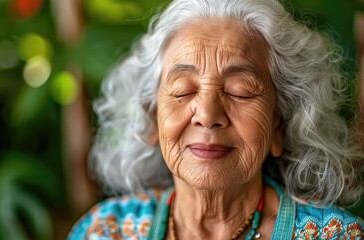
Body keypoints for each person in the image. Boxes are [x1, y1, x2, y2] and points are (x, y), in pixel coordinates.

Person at [68, 0, 364, 239]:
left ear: (279, 123)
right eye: (183, 90)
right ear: (152, 115)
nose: (208, 116)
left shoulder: (336, 235)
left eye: (241, 91)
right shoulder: (104, 231)